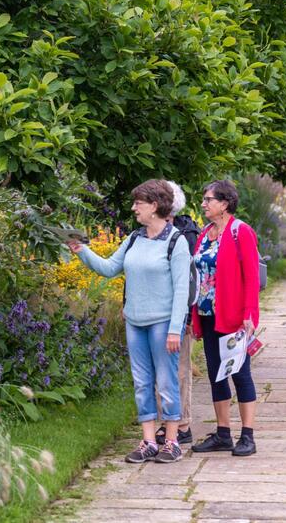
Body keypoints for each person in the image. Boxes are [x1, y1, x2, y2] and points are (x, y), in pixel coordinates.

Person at [68, 179, 190, 464]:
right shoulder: (134, 238)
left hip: (163, 324)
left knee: (166, 382)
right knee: (142, 382)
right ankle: (148, 442)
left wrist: (175, 329)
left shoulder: (176, 241)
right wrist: (81, 250)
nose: (134, 208)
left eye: (139, 203)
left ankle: (172, 442)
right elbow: (110, 268)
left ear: (155, 206)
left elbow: (182, 290)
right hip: (135, 322)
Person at [190, 180, 259, 457]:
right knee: (215, 373)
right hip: (208, 315)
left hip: (233, 316)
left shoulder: (240, 231)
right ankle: (223, 434)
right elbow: (198, 276)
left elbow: (252, 277)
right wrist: (194, 316)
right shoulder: (204, 233)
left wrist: (249, 315)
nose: (204, 204)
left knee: (240, 373)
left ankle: (248, 436)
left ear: (224, 203)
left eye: (208, 199)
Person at [155, 181, 200, 446]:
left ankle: (182, 424)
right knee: (159, 370)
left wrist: (190, 317)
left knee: (180, 368)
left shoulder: (186, 234)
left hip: (180, 312)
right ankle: (166, 422)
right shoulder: (148, 232)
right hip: (154, 311)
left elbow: (192, 281)